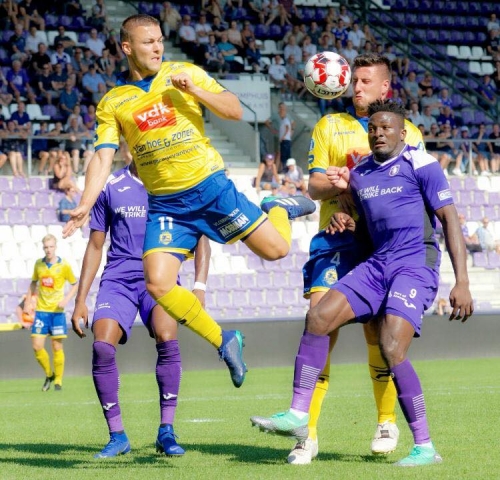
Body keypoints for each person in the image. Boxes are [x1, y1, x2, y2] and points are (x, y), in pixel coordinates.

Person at [63, 14, 316, 391]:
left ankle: (278, 207)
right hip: (166, 205)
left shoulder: (183, 72)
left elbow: (235, 110)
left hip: (209, 188)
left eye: (160, 40)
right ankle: (224, 340)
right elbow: (103, 155)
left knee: (277, 251)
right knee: (158, 282)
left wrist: (196, 92)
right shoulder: (114, 101)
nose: (157, 47)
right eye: (147, 42)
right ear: (127, 47)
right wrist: (86, 202)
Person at [251, 99, 474, 467]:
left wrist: (462, 282)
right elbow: (370, 229)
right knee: (318, 318)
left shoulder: (422, 163)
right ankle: (297, 414)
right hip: (377, 263)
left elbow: (448, 220)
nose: (378, 133)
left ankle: (424, 446)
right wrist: (351, 220)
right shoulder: (362, 173)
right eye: (373, 128)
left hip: (414, 265)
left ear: (403, 133)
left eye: (386, 128)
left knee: (390, 345)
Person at [263, 54, 427, 466]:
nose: (356, 87)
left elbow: (415, 188)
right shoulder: (329, 125)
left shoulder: (409, 133)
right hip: (335, 240)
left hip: (380, 246)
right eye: (353, 80)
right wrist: (338, 190)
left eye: (365, 81)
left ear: (385, 89)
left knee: (378, 336)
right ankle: (306, 434)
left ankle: (387, 421)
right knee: (319, 321)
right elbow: (314, 183)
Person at [71, 161, 211, 458]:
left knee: (166, 336)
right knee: (102, 348)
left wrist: (199, 286)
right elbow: (95, 246)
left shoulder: (175, 182)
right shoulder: (110, 186)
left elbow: (201, 237)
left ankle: (166, 431)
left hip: (160, 278)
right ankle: (117, 435)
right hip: (118, 279)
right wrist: (80, 299)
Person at [25, 234, 79, 391]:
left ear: (55, 247)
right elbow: (33, 283)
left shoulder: (64, 266)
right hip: (41, 311)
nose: (48, 250)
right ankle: (49, 374)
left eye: (51, 247)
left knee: (57, 347)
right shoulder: (39, 265)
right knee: (36, 346)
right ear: (43, 248)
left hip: (57, 312)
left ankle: (58, 381)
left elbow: (75, 284)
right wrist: (28, 303)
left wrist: (66, 300)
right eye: (46, 247)